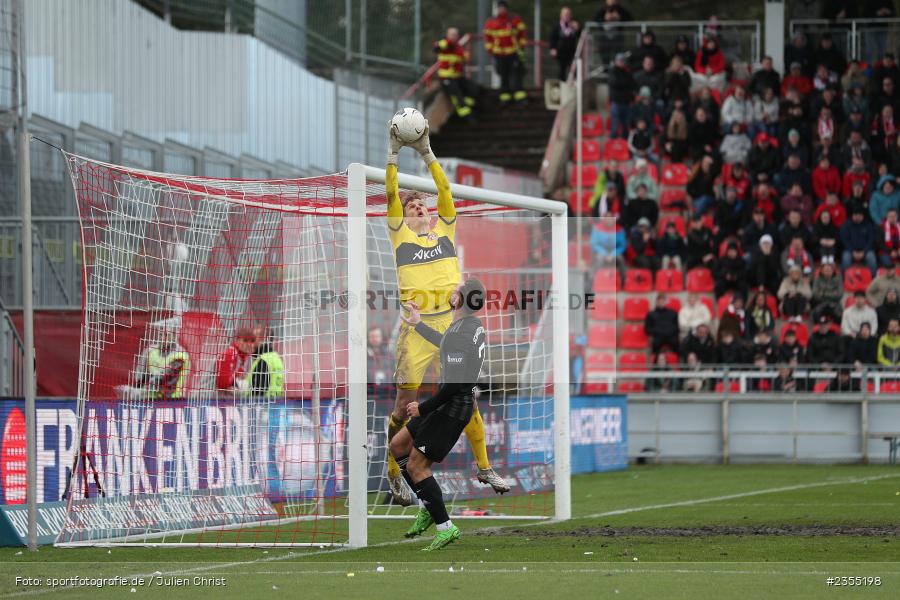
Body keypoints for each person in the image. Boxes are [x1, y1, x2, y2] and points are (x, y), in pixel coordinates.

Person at [385, 121, 508, 505]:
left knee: (464, 395)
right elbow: (391, 191)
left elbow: (444, 189)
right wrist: (392, 154)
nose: (421, 207)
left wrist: (426, 152)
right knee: (404, 404)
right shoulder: (400, 235)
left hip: (450, 323)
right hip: (415, 327)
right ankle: (393, 470)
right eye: (413, 206)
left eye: (423, 204)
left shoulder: (445, 234)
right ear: (405, 216)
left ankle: (484, 467)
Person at [389, 278, 488, 551]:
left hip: (452, 408)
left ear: (461, 300)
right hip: (448, 403)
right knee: (398, 445)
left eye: (457, 290)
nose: (452, 291)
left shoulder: (461, 332)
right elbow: (445, 343)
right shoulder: (470, 326)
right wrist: (417, 324)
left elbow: (455, 384)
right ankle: (428, 508)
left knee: (416, 467)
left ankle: (445, 527)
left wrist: (423, 407)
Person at [123, 318, 190, 401]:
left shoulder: (180, 355)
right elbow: (140, 376)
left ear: (174, 335)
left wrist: (138, 391)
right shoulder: (149, 351)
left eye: (166, 334)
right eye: (160, 334)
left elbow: (164, 379)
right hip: (148, 400)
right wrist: (134, 392)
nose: (162, 338)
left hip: (171, 402)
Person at [483, 0, 527, 105]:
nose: (501, 10)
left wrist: (521, 46)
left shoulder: (514, 19)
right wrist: (491, 50)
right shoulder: (491, 21)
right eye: (499, 8)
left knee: (516, 74)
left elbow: (522, 33)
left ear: (506, 9)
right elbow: (488, 38)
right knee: (503, 75)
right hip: (499, 54)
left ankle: (519, 96)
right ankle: (505, 97)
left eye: (503, 8)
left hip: (513, 52)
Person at [434, 28, 478, 119]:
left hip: (457, 76)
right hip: (446, 78)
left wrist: (466, 57)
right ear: (448, 35)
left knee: (473, 88)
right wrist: (443, 44)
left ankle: (469, 105)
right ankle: (464, 114)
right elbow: (437, 47)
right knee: (456, 94)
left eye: (455, 35)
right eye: (452, 34)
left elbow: (464, 59)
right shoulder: (445, 44)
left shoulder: (459, 48)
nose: (454, 37)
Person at [214, 327, 255, 394]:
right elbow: (222, 385)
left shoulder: (245, 358)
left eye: (252, 341)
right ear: (237, 341)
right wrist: (239, 390)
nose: (249, 344)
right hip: (206, 398)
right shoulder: (230, 354)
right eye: (245, 340)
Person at [841, 206, 878, 276]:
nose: (857, 217)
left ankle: (873, 279)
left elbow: (871, 240)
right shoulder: (847, 224)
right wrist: (852, 251)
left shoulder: (868, 224)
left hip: (866, 250)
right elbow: (844, 240)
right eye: (855, 215)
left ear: (863, 216)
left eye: (859, 215)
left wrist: (864, 251)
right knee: (845, 258)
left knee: (872, 258)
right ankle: (845, 279)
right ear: (852, 215)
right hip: (850, 250)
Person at [246, 332, 284, 398]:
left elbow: (258, 390)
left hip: (262, 405)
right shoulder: (275, 357)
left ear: (263, 340)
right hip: (275, 404)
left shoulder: (264, 360)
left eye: (253, 340)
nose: (250, 344)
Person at [609, 53, 636, 139]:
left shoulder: (628, 72)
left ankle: (625, 143)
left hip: (626, 102)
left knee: (626, 124)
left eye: (623, 61)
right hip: (616, 102)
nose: (621, 62)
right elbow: (615, 83)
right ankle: (612, 142)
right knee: (615, 125)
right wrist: (625, 84)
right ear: (616, 62)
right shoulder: (613, 71)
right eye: (620, 61)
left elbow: (632, 84)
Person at [549, 7, 579, 80]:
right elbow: (552, 38)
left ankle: (575, 86)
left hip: (572, 52)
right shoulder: (557, 27)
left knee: (574, 69)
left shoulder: (574, 26)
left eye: (568, 14)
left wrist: (578, 28)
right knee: (561, 70)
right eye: (565, 14)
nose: (566, 16)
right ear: (561, 15)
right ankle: (562, 86)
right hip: (561, 53)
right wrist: (553, 49)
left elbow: (581, 36)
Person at [368, 326, 395, 396]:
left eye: (377, 336)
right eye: (372, 336)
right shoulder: (363, 357)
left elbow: (395, 375)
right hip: (371, 394)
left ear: (381, 337)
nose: (374, 339)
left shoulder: (389, 355)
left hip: (388, 394)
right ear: (368, 338)